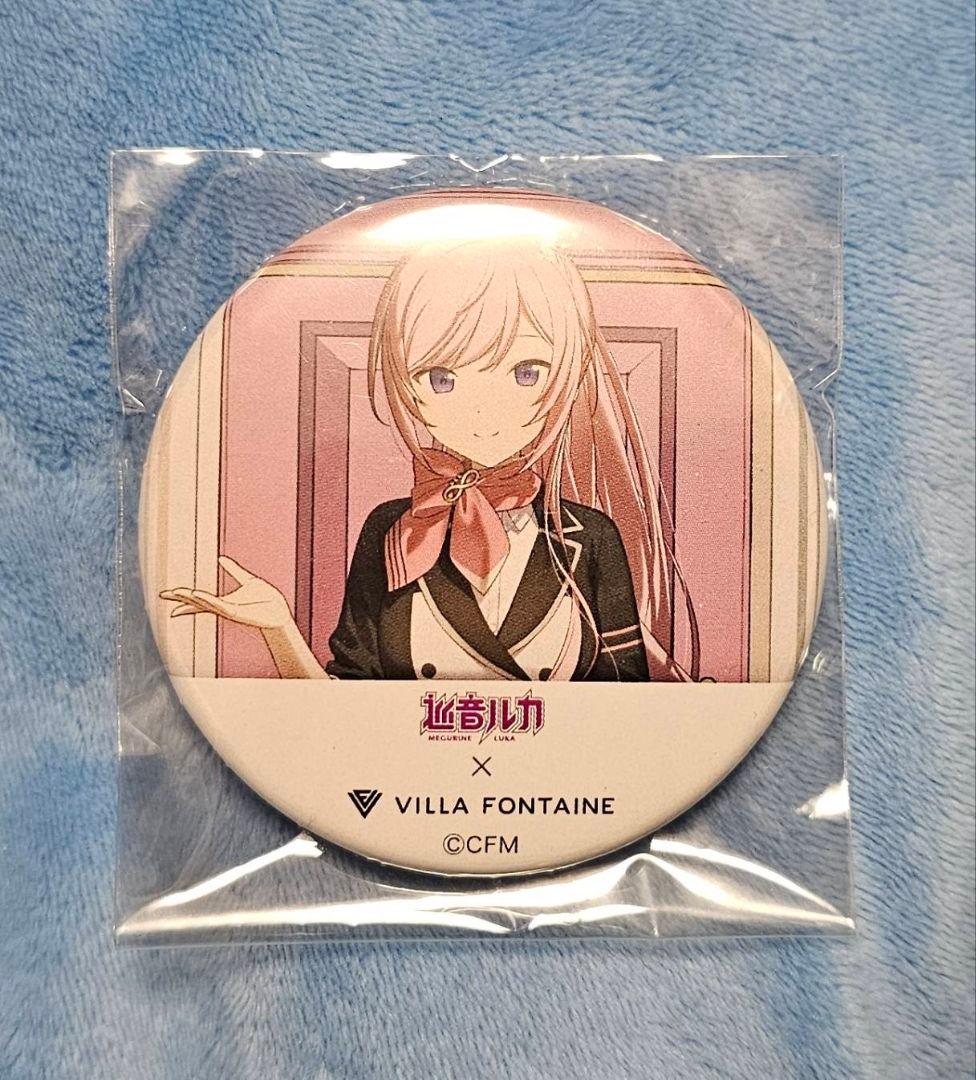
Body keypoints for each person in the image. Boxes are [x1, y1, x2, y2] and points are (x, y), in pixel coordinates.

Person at [162, 239, 696, 681]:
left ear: (569, 374)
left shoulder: (591, 538)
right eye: (442, 378)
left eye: (526, 372)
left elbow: (627, 707)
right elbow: (348, 703)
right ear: (407, 383)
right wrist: (280, 629)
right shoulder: (391, 531)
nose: (484, 412)